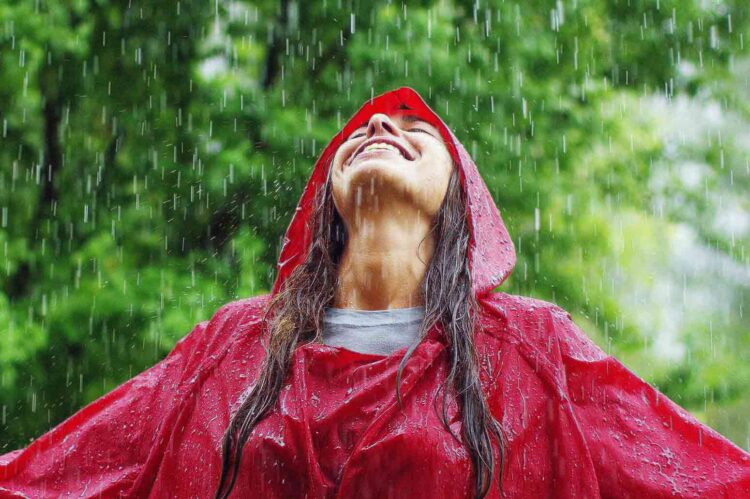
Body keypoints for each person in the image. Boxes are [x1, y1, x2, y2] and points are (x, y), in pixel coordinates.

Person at [1, 87, 748, 498]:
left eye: (416, 130)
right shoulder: (231, 346)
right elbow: (56, 477)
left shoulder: (530, 352)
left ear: (462, 204)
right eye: (362, 128)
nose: (383, 121)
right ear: (324, 200)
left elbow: (701, 477)